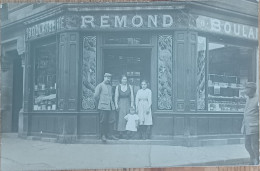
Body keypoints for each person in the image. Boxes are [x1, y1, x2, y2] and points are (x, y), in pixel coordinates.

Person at [94, 73, 119, 143]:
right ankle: (103, 136)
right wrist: (101, 102)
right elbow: (96, 96)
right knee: (103, 121)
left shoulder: (110, 87)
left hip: (111, 107)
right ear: (104, 77)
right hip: (103, 107)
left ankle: (111, 135)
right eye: (107, 78)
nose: (108, 79)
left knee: (112, 121)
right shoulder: (100, 86)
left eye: (109, 78)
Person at [241, 82, 259, 165]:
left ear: (251, 90)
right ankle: (253, 157)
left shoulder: (258, 99)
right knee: (247, 145)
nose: (244, 91)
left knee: (254, 145)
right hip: (247, 126)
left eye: (246, 89)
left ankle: (256, 161)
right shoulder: (248, 98)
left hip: (255, 127)